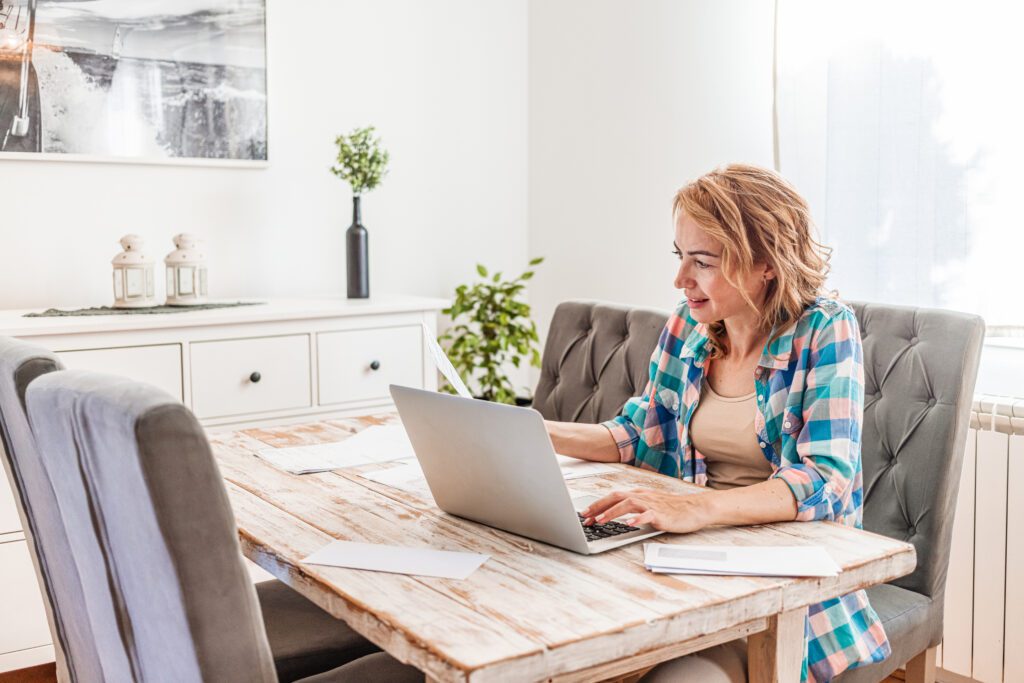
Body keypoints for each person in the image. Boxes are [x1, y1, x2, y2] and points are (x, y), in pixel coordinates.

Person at [545, 164, 889, 682]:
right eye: (680, 257)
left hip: (783, 581)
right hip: (681, 555)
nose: (681, 279)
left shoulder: (824, 329)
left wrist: (695, 508)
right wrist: (530, 433)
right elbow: (640, 431)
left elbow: (824, 479)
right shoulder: (689, 323)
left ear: (766, 263)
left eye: (701, 262)